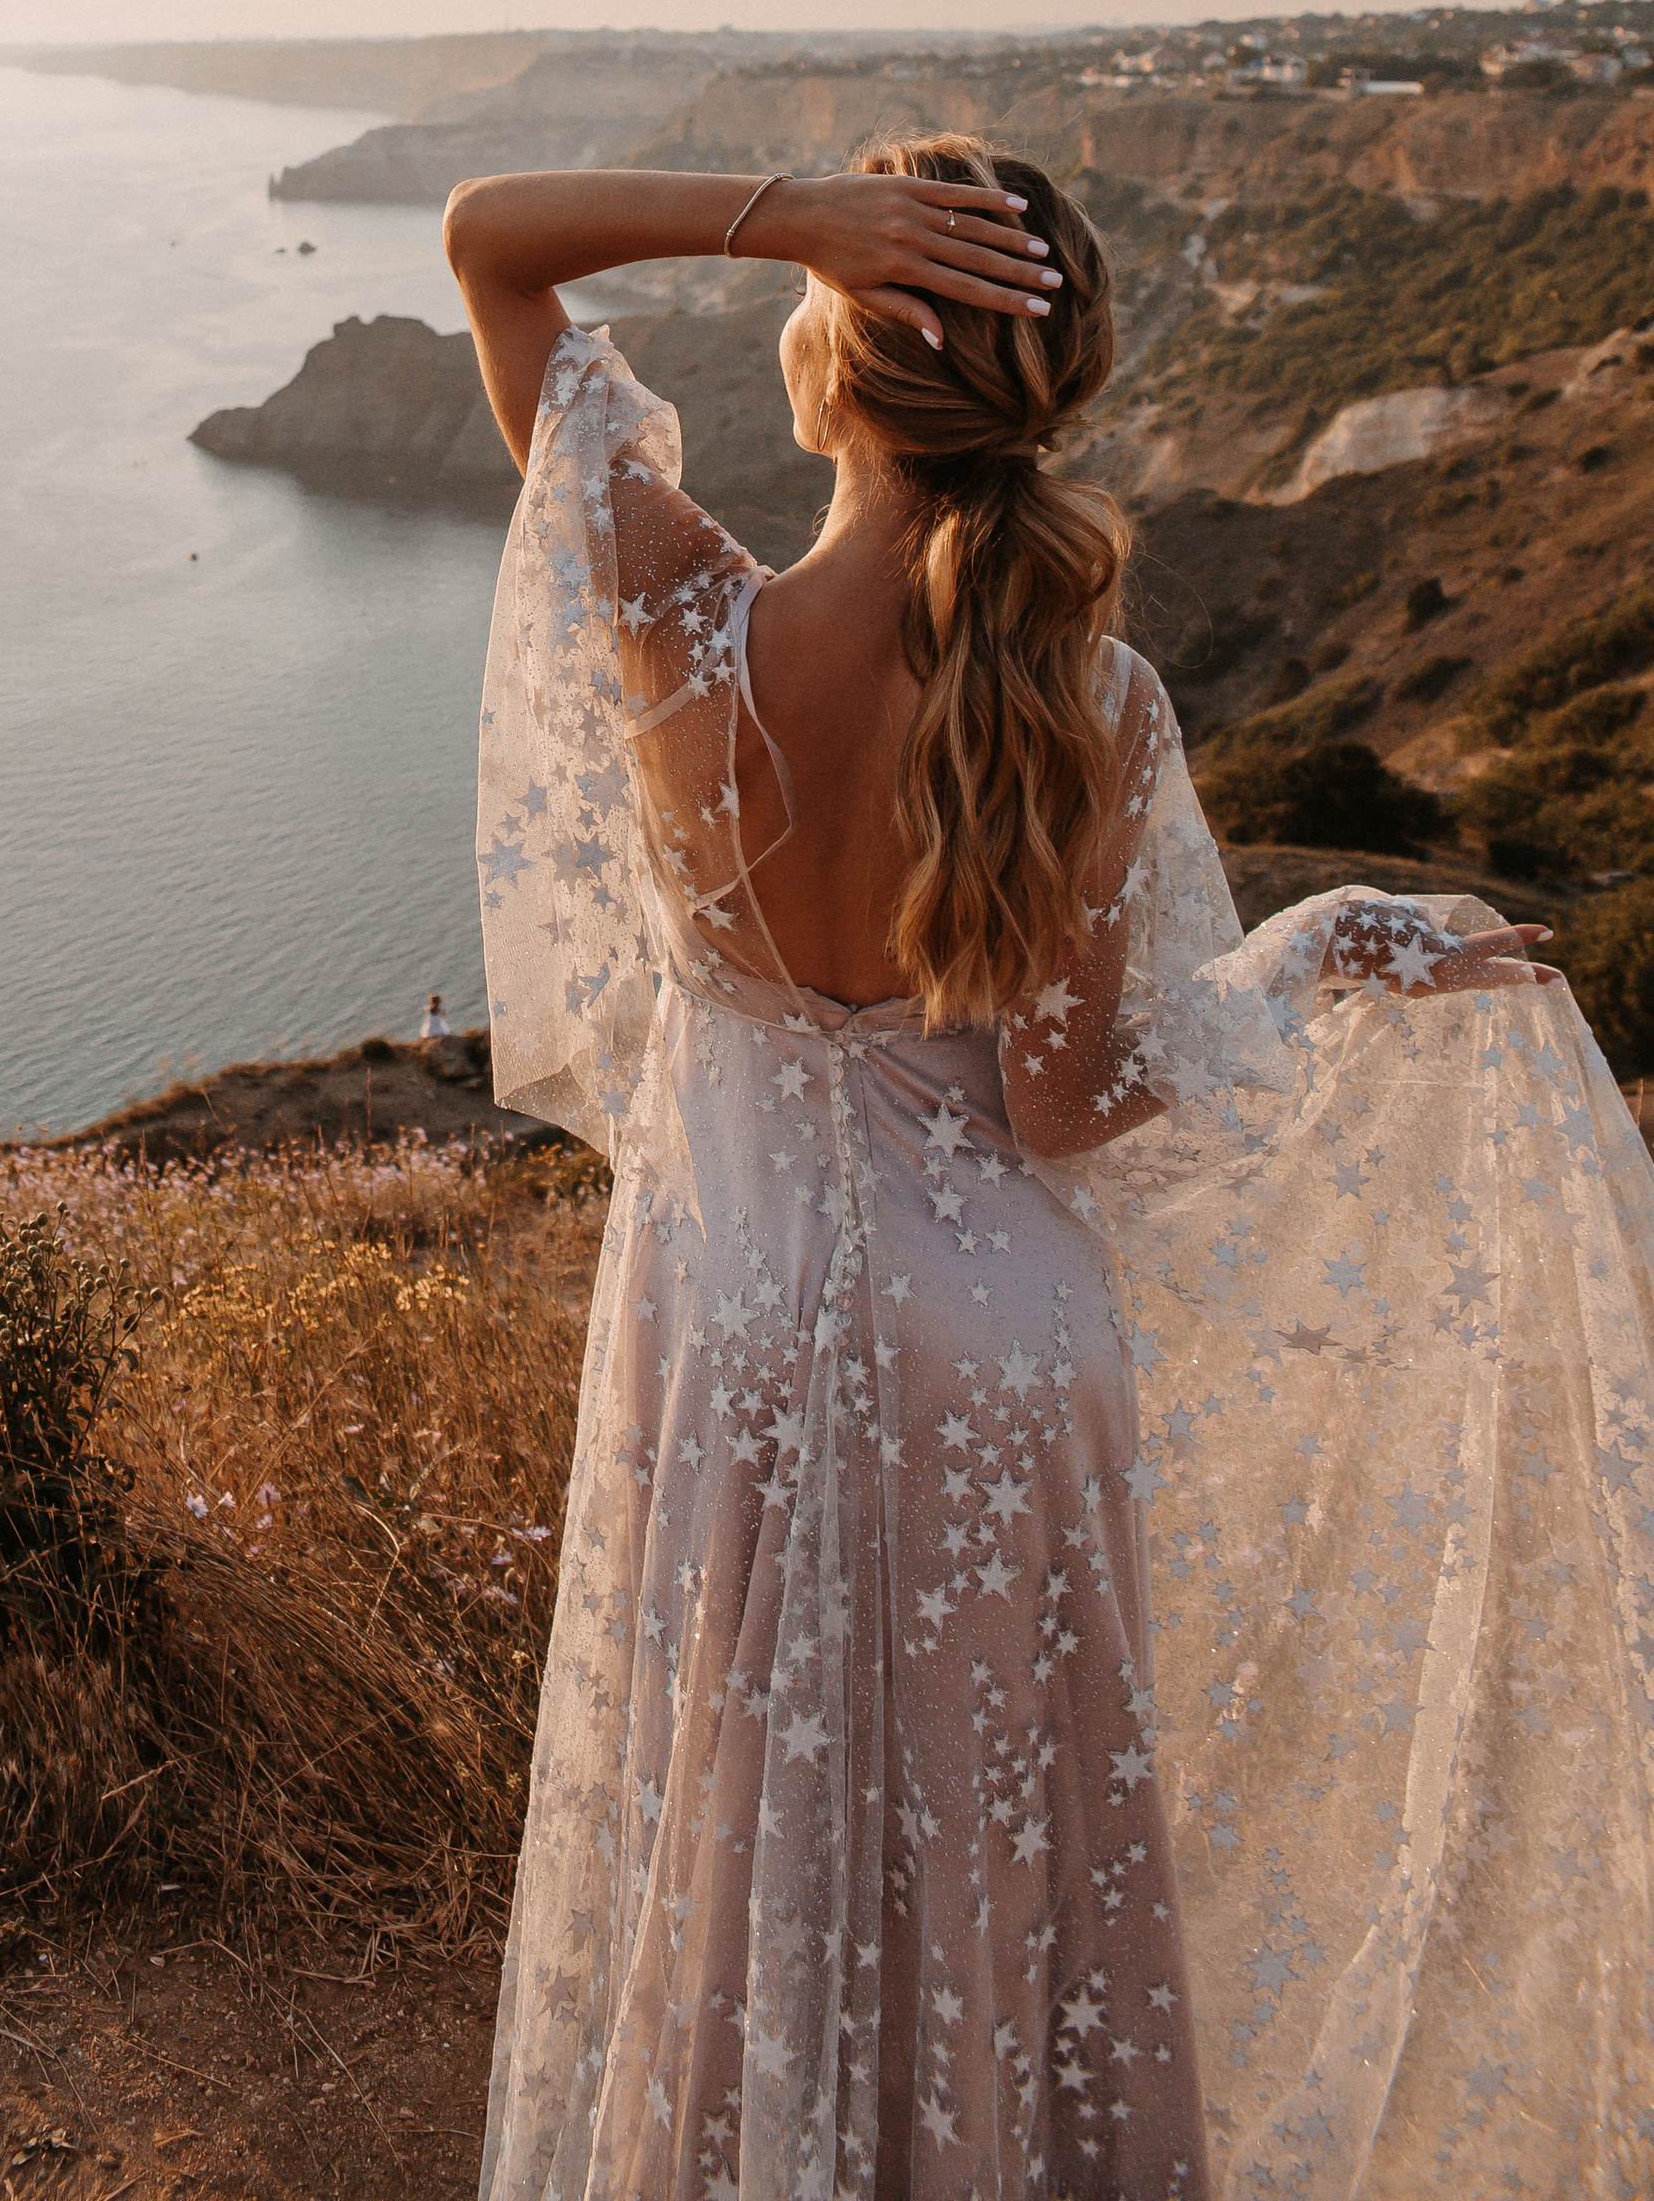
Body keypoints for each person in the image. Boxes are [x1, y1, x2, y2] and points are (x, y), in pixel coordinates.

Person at [447, 144, 1654, 2200]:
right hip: (997, 1354)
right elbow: (1080, 1100)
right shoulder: (1081, 705)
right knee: (1001, 1867)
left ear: (830, 359)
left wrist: (780, 209)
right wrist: (1327, 942)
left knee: (743, 1841)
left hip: (726, 1318)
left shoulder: (670, 613)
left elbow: (492, 242)